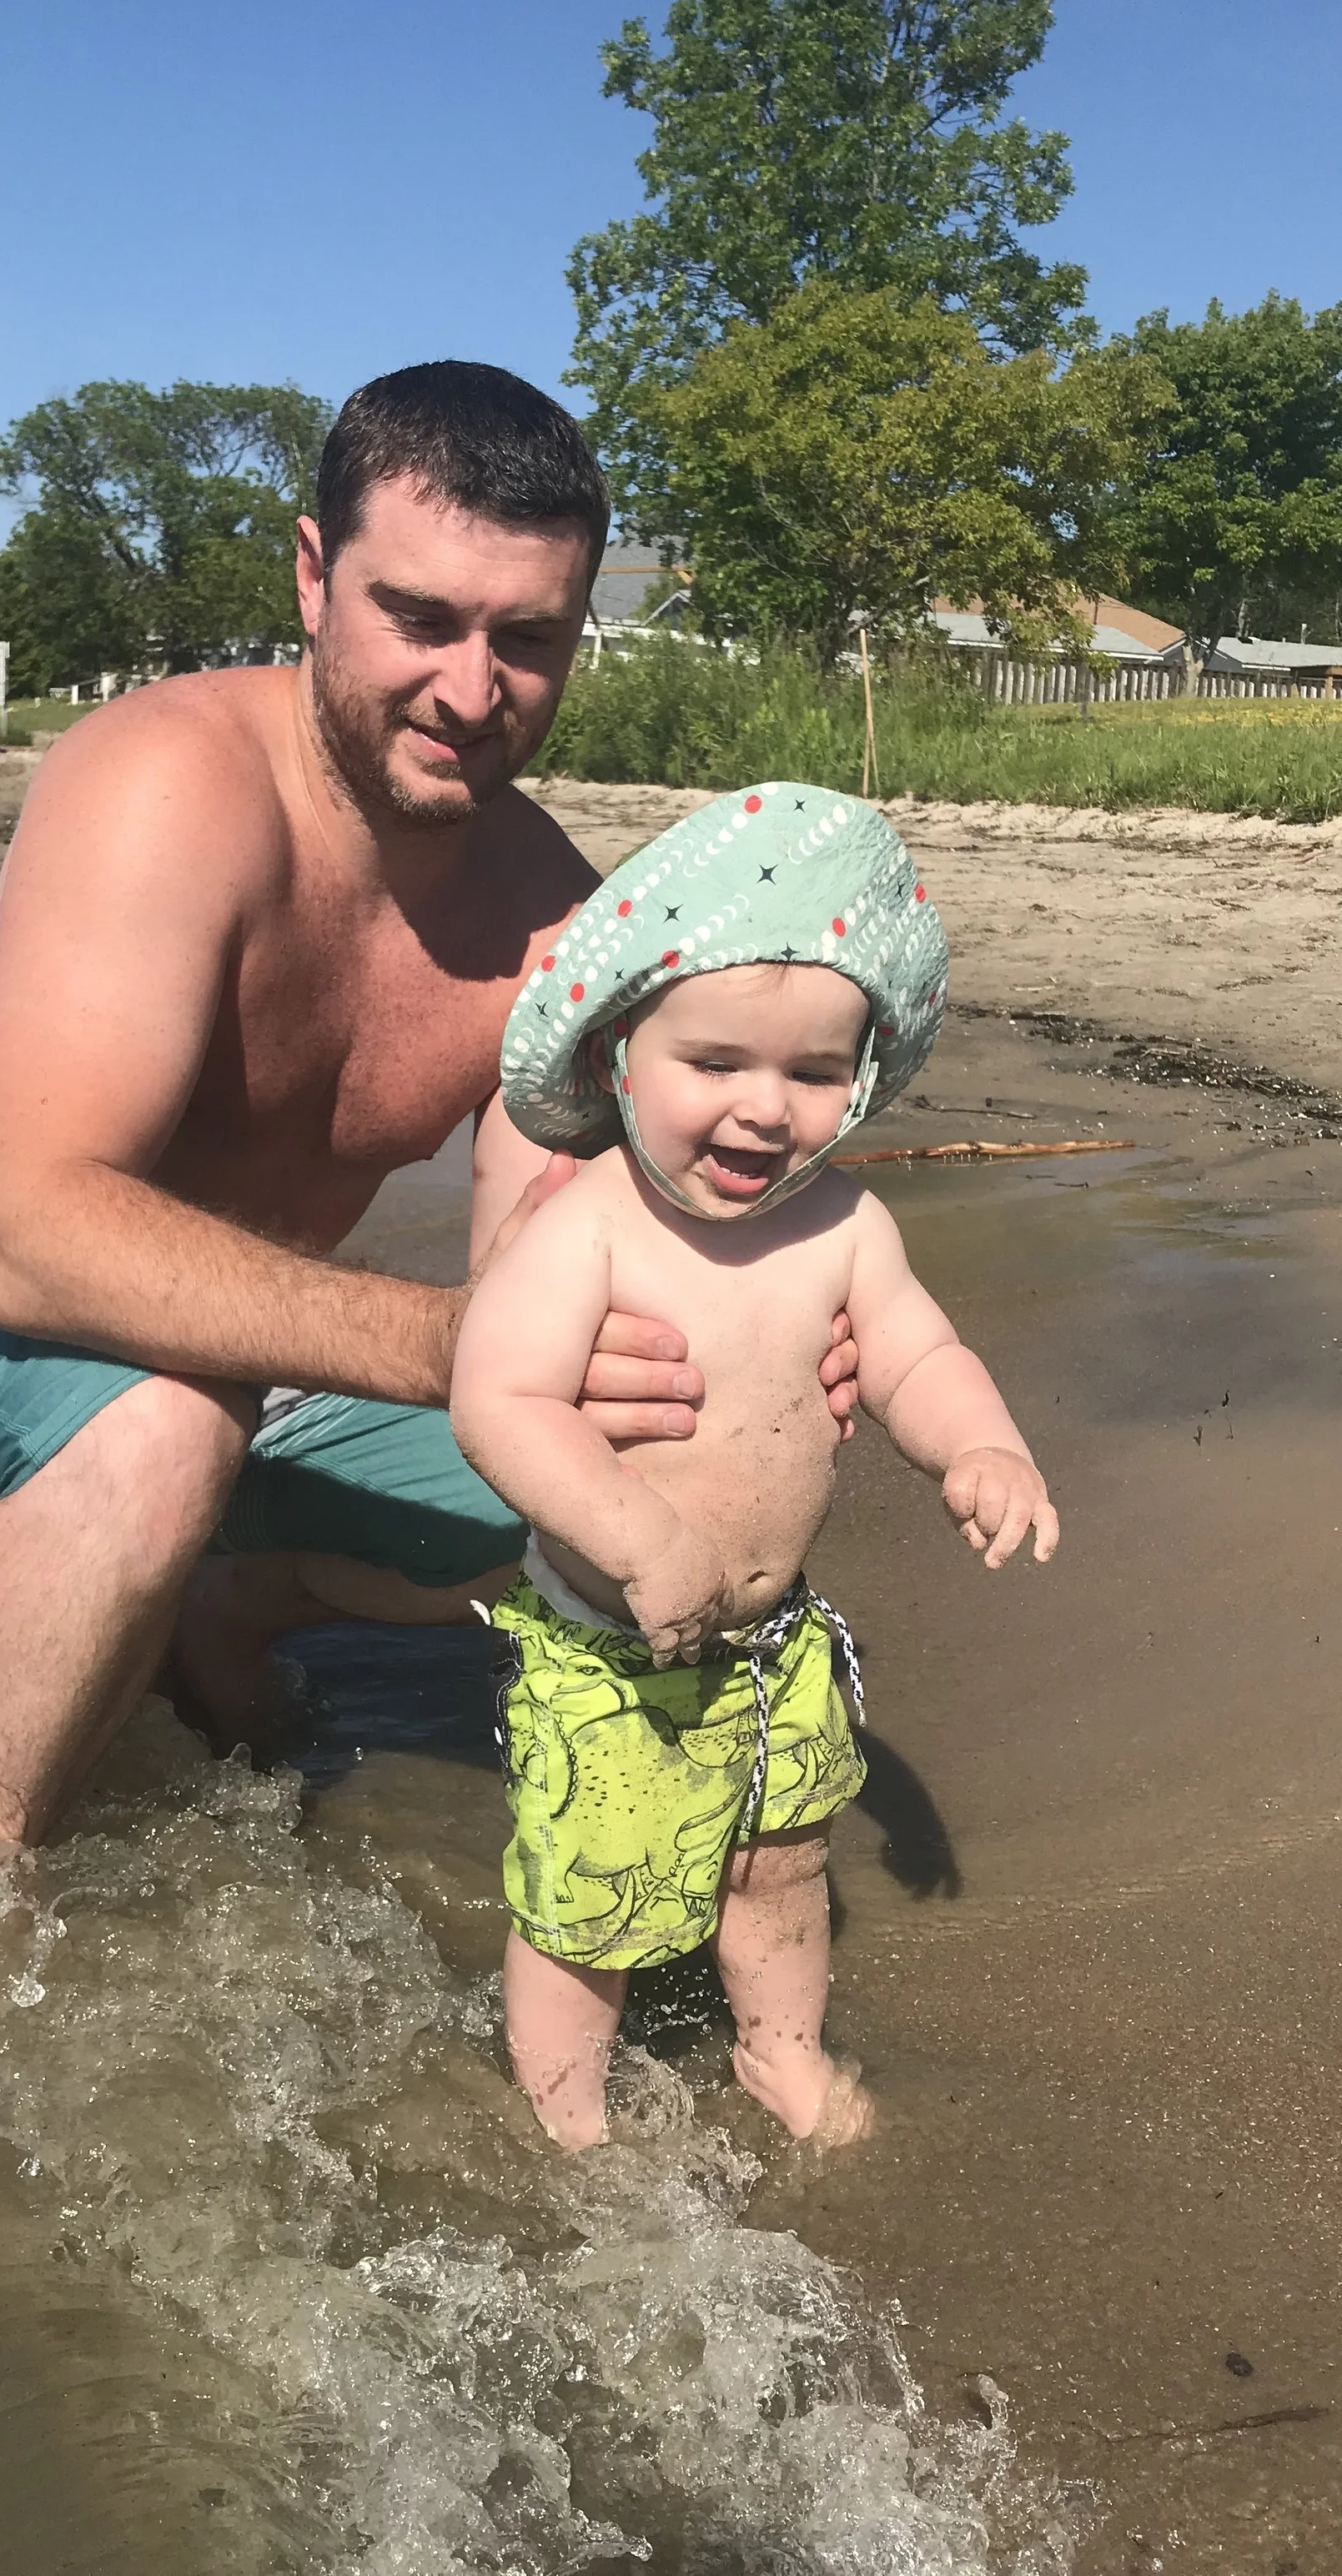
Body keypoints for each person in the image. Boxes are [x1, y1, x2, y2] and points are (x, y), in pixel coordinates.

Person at [0, 364, 859, 1847]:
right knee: (166, 1428)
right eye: (419, 618)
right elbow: (20, 1234)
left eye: (528, 640)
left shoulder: (558, 927)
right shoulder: (165, 783)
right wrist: (447, 1341)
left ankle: (219, 1605)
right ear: (311, 576)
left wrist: (764, 1342)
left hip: (241, 1360)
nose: (472, 694)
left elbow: (558, 1275)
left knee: (647, 1444)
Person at [450, 786, 1059, 2150]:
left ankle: (780, 2049)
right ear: (618, 1054)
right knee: (588, 1906)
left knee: (784, 1866)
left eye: (810, 1072)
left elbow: (912, 1348)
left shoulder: (840, 1220)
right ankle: (569, 2114)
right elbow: (497, 1401)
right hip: (609, 1647)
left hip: (775, 1642)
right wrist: (639, 1536)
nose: (764, 1111)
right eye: (713, 1063)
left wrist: (980, 1441)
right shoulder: (589, 1227)